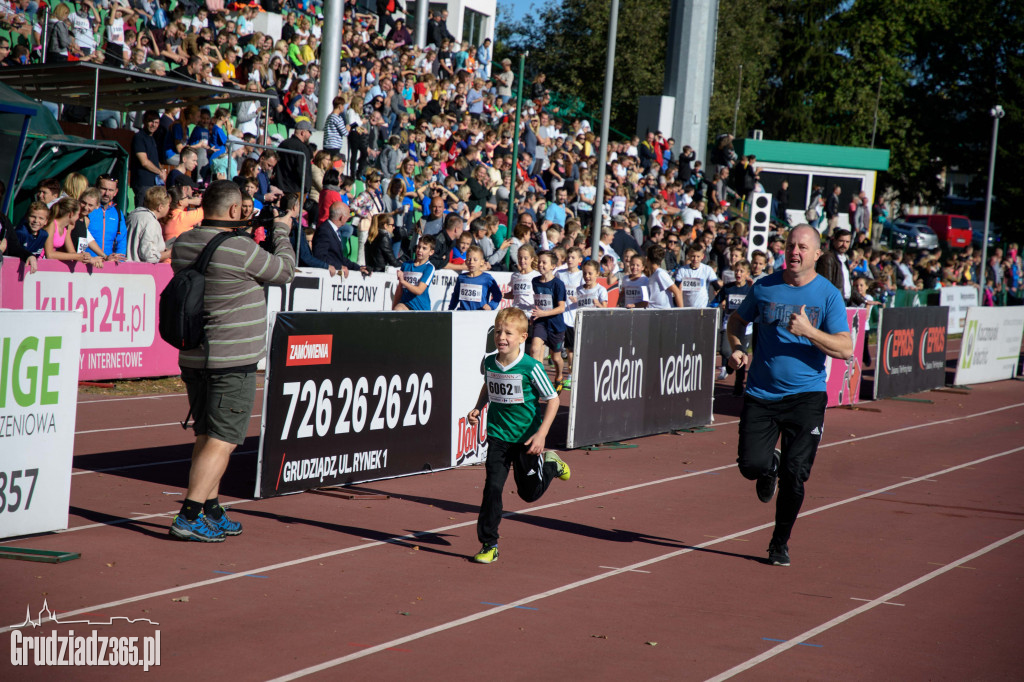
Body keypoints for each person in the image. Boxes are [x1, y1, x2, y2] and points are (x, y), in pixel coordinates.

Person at [168, 180, 296, 542]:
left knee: (207, 435)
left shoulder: (184, 242)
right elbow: (284, 271)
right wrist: (282, 232)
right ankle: (189, 514)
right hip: (231, 357)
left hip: (195, 353)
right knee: (224, 438)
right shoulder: (238, 248)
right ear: (235, 211)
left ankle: (210, 508)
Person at [726, 224, 852, 566]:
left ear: (815, 255)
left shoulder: (827, 295)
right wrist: (737, 349)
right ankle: (769, 465)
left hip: (806, 397)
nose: (794, 252)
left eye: (801, 247)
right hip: (762, 393)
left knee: (796, 475)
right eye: (790, 245)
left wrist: (810, 331)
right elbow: (736, 322)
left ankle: (779, 543)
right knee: (750, 466)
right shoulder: (764, 286)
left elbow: (845, 347)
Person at [466, 307, 570, 564]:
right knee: (492, 487)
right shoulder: (490, 361)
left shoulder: (531, 367)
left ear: (523, 337)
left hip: (527, 439)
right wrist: (478, 407)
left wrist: (542, 435)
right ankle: (489, 544)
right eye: (498, 332)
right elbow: (489, 384)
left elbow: (554, 400)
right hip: (498, 436)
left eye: (508, 333)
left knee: (529, 494)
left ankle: (551, 464)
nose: (502, 337)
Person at [714, 258, 754, 391]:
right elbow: (715, 301)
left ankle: (738, 384)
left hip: (746, 329)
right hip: (728, 326)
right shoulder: (728, 288)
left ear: (747, 274)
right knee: (725, 350)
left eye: (741, 271)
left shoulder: (750, 289)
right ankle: (730, 366)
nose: (738, 273)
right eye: (736, 270)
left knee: (741, 356)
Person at [528, 250, 567, 383]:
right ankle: (539, 379)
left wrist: (543, 313)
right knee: (534, 349)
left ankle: (559, 375)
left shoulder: (558, 284)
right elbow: (539, 302)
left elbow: (561, 308)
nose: (540, 265)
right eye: (539, 262)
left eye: (544, 262)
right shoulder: (535, 281)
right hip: (541, 322)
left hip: (556, 325)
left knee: (555, 358)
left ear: (553, 266)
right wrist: (535, 315)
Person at [447, 245, 501, 310]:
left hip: (479, 315)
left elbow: (498, 295)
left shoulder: (487, 278)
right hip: (462, 315)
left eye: (475, 260)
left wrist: (491, 306)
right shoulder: (461, 278)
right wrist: (450, 310)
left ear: (482, 262)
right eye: (469, 259)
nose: (471, 262)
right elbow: (455, 296)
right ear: (466, 262)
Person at [86, 175, 128, 259]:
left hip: (107, 264)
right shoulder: (87, 209)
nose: (107, 193)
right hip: (86, 262)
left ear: (116, 192)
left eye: (111, 190)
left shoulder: (117, 213)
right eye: (103, 189)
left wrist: (119, 262)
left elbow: (121, 242)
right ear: (96, 188)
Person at [126, 186, 172, 263]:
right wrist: (169, 253)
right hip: (140, 271)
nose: (169, 208)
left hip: (126, 267)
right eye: (168, 205)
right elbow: (149, 256)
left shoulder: (133, 215)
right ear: (160, 207)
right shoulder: (151, 222)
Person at [394, 235, 436, 311]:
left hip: (421, 308)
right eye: (419, 247)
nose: (420, 250)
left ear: (431, 252)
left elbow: (419, 290)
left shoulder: (429, 268)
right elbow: (399, 289)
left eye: (424, 248)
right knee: (398, 309)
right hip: (405, 304)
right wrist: (393, 309)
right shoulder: (406, 265)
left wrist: (403, 281)